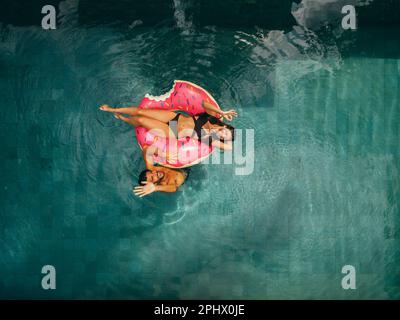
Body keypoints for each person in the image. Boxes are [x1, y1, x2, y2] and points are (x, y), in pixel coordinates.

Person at [99, 100, 237, 151]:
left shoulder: (210, 139)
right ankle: (112, 109)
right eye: (225, 132)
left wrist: (219, 138)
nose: (222, 134)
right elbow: (205, 104)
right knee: (141, 112)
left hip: (172, 132)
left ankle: (123, 118)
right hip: (175, 117)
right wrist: (222, 112)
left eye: (224, 137)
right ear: (225, 127)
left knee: (141, 120)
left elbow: (229, 148)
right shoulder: (212, 118)